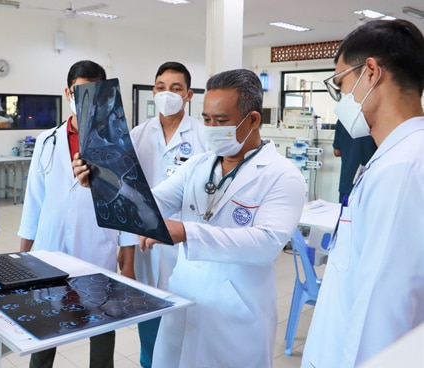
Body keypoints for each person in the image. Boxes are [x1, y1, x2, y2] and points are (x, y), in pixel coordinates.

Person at [75, 69, 306, 367]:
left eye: (221, 121)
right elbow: (152, 202)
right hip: (184, 296)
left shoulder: (282, 175)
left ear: (252, 120)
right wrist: (101, 182)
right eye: (207, 119)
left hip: (235, 313)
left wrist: (188, 232)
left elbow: (266, 243)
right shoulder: (198, 165)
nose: (211, 128)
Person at [302, 19, 424, 368]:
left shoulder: (402, 169)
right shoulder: (397, 155)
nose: (342, 99)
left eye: (341, 83)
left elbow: (382, 311)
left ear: (370, 72)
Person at [18, 60, 135, 368]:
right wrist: (23, 257)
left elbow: (127, 204)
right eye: (78, 92)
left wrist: (128, 258)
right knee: (46, 323)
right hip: (49, 248)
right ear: (67, 92)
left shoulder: (118, 144)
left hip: (97, 245)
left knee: (102, 322)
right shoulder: (47, 140)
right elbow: (34, 200)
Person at [120, 61, 207, 368]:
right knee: (150, 320)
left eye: (175, 88)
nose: (166, 93)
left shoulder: (203, 136)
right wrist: (126, 259)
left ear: (189, 95)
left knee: (187, 328)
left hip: (187, 247)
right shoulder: (137, 135)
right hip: (146, 246)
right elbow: (127, 198)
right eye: (160, 87)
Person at [332, 119, 377, 202]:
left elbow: (336, 152)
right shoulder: (373, 120)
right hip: (368, 184)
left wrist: (349, 150)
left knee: (345, 213)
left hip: (347, 184)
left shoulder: (342, 120)